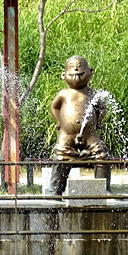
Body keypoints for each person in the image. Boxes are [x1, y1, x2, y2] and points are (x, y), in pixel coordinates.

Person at [47, 55, 111, 196]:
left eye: (81, 68)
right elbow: (54, 107)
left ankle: (104, 189)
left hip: (89, 135)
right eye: (72, 69)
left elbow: (103, 109)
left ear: (91, 72)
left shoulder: (93, 94)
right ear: (64, 75)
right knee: (61, 157)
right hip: (66, 135)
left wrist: (98, 122)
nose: (76, 70)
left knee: (102, 155)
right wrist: (59, 121)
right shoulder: (64, 93)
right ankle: (55, 191)